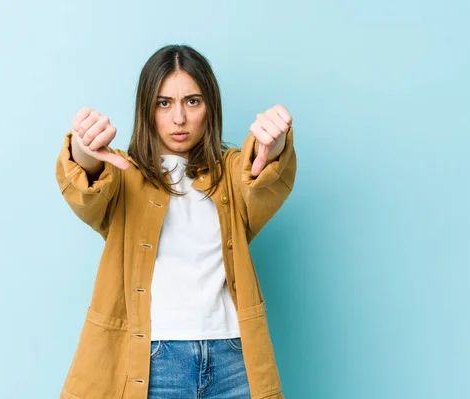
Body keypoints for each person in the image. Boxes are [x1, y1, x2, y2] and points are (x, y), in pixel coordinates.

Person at [55, 44, 297, 399]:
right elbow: (88, 184)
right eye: (164, 103)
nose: (179, 119)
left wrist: (272, 145)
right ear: (146, 109)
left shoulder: (229, 172)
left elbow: (259, 175)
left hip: (233, 358)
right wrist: (83, 148)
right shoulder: (124, 175)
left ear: (209, 107)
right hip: (154, 361)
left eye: (193, 101)